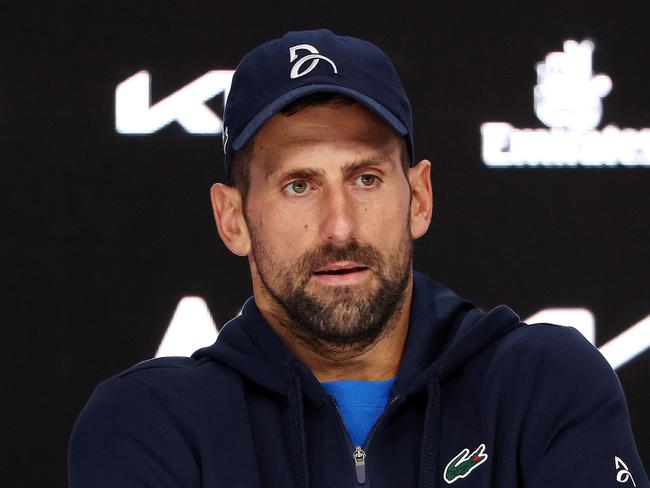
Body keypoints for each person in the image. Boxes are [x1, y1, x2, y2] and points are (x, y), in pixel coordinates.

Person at [69, 29, 648, 488]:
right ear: (233, 218)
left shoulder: (542, 385)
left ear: (418, 198)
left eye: (365, 178)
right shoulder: (150, 424)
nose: (339, 227)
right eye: (299, 185)